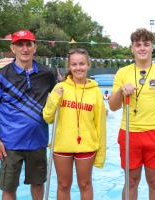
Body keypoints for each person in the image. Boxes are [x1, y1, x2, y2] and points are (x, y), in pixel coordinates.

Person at [0, 30, 56, 200]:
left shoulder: (47, 74)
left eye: (28, 44)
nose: (25, 49)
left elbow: (59, 98)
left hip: (38, 142)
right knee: (8, 187)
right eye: (20, 44)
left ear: (35, 47)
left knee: (38, 184)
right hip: (10, 145)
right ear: (12, 48)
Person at [109, 28, 155, 200]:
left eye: (146, 44)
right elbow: (113, 106)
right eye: (138, 44)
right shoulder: (122, 73)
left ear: (152, 47)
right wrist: (120, 91)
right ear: (132, 48)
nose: (142, 48)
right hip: (129, 133)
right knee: (131, 181)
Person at [43, 48, 106, 200]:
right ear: (69, 67)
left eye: (82, 64)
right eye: (74, 64)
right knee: (63, 185)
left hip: (86, 146)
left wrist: (101, 155)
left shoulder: (96, 92)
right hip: (62, 145)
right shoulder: (60, 87)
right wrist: (53, 99)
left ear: (88, 65)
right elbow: (47, 117)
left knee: (85, 185)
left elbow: (100, 125)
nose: (78, 68)